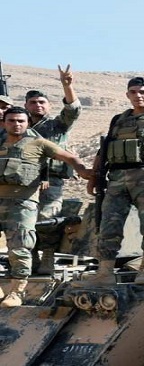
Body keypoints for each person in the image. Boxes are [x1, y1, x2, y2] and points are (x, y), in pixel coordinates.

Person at [82, 77, 144, 286]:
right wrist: (94, 176)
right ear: (127, 95)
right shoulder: (118, 119)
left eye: (143, 91)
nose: (138, 96)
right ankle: (105, 272)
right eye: (133, 92)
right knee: (108, 226)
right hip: (116, 179)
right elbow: (105, 148)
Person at [0, 106, 91, 306]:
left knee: (20, 246)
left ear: (28, 123)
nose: (16, 124)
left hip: (22, 203)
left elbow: (69, 157)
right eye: (11, 120)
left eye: (21, 121)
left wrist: (83, 170)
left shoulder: (39, 143)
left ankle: (17, 292)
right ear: (4, 123)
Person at [25, 65, 82, 275]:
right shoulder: (19, 126)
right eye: (33, 102)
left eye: (42, 102)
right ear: (26, 105)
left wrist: (67, 86)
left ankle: (47, 256)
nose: (38, 105)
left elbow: (73, 110)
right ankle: (30, 257)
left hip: (52, 181)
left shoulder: (58, 125)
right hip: (24, 182)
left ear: (48, 106)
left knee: (47, 220)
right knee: (25, 221)